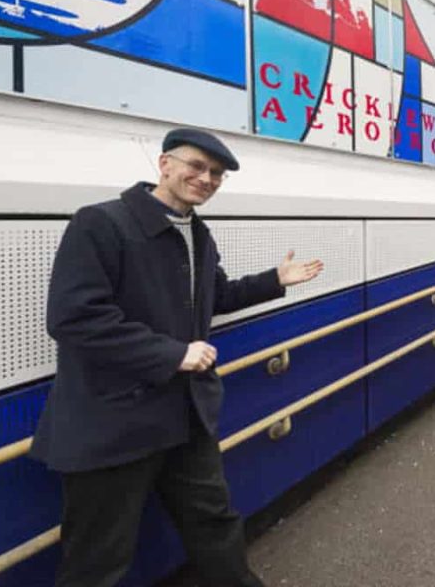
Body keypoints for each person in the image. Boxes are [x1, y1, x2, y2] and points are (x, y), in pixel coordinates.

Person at [31, 128, 325, 587]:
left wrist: (275, 280)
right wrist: (172, 354)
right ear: (164, 164)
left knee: (216, 526)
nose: (206, 179)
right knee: (98, 560)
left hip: (184, 416)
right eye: (197, 166)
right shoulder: (102, 223)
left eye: (217, 174)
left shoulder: (198, 235)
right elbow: (74, 318)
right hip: (113, 423)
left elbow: (216, 295)